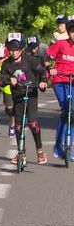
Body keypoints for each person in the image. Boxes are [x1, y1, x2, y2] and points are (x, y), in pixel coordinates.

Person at [0, 33, 48, 164]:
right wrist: (9, 79)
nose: (13, 52)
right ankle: (21, 151)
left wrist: (43, 82)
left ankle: (40, 150)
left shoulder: (30, 60)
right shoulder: (6, 64)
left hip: (31, 93)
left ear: (21, 49)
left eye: (16, 49)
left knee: (32, 123)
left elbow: (43, 72)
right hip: (18, 96)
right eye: (11, 49)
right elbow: (2, 79)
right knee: (18, 126)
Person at [46, 19, 74, 159]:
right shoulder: (60, 44)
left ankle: (69, 145)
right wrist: (50, 68)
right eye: (73, 31)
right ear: (69, 32)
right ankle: (58, 146)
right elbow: (47, 57)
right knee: (66, 109)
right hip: (60, 80)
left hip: (73, 81)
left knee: (73, 112)